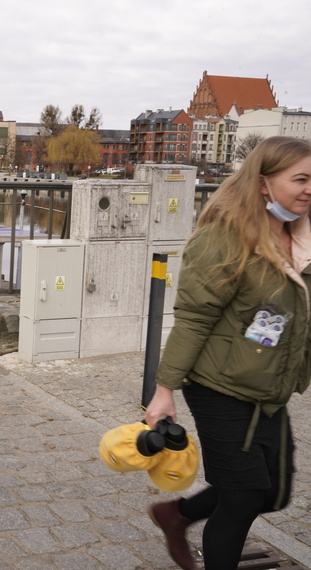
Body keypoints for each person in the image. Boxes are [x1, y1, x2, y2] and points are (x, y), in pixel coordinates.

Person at [144, 136, 311, 569]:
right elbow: (194, 319)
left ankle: (176, 515)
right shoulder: (224, 239)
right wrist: (164, 391)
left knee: (272, 493)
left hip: (268, 387)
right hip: (218, 386)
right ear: (263, 183)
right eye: (300, 179)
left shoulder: (302, 237)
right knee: (242, 499)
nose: (310, 189)